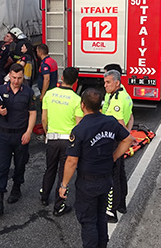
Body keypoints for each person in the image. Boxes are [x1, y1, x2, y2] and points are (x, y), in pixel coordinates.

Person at [58, 88, 133, 248]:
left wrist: (64, 184)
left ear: (82, 105)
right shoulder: (111, 121)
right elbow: (128, 139)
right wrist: (113, 157)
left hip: (87, 184)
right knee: (100, 216)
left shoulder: (80, 130)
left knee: (88, 220)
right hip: (106, 180)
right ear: (100, 105)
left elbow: (71, 161)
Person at [0, 63, 37, 216]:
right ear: (9, 75)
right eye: (14, 77)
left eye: (20, 78)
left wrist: (29, 131)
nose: (16, 81)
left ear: (23, 77)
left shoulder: (28, 92)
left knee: (20, 164)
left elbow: (32, 113)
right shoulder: (0, 91)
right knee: (2, 167)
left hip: (20, 135)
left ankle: (16, 188)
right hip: (3, 135)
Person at [40, 67, 83, 216]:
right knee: (63, 173)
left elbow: (44, 118)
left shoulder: (49, 94)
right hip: (68, 142)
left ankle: (44, 196)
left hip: (52, 138)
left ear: (61, 77)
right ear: (76, 82)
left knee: (49, 168)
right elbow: (79, 124)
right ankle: (59, 206)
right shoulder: (77, 100)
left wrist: (48, 133)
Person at [102, 70, 134, 222]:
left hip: (114, 141)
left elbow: (119, 124)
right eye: (105, 82)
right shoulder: (122, 94)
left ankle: (111, 211)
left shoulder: (117, 100)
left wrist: (125, 138)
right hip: (120, 140)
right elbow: (131, 116)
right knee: (120, 173)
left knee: (112, 175)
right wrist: (128, 133)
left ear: (117, 82)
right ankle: (121, 204)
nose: (105, 85)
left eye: (108, 82)